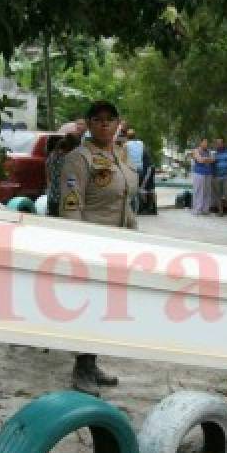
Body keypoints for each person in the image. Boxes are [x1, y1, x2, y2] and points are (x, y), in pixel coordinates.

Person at [58, 100, 139, 395]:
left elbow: (126, 197)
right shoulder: (79, 159)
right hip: (90, 242)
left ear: (118, 124)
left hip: (118, 243)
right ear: (89, 124)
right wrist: (77, 245)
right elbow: (71, 204)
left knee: (104, 306)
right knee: (86, 304)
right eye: (98, 119)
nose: (105, 124)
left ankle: (91, 362)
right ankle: (81, 369)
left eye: (110, 119)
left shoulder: (119, 155)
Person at [44, 128, 80, 217]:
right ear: (74, 146)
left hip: (52, 196)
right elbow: (71, 181)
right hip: (66, 199)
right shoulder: (69, 160)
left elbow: (48, 175)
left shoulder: (52, 155)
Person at [189, 139, 214, 215]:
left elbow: (213, 160)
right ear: (201, 143)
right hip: (198, 173)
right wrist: (206, 159)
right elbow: (199, 160)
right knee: (198, 191)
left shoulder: (209, 151)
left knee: (207, 191)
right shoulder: (195, 150)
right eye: (204, 142)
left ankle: (205, 209)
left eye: (207, 142)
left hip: (208, 173)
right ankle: (196, 209)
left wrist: (205, 159)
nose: (206, 144)